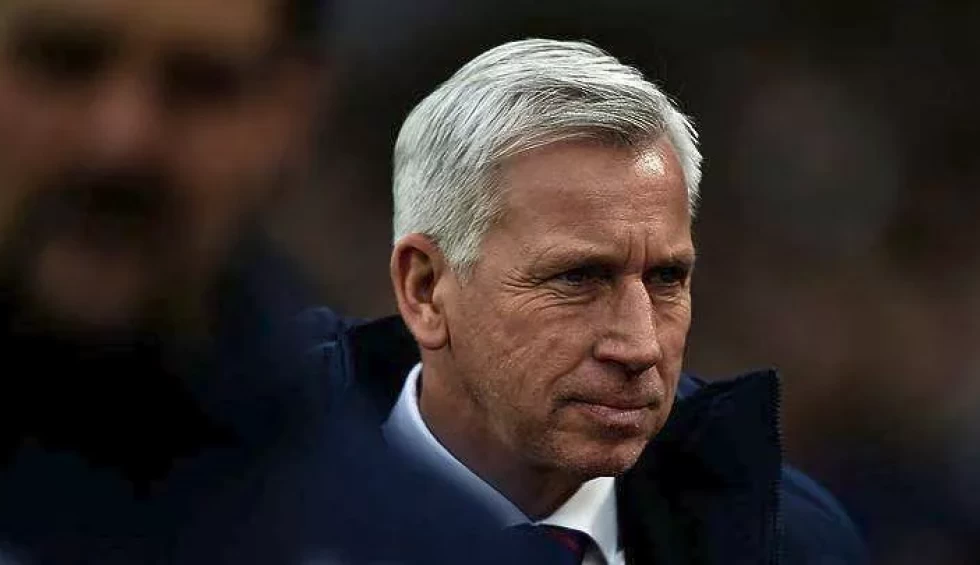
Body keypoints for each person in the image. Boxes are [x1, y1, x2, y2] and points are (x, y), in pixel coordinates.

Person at [0, 2, 551, 564]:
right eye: (61, 62)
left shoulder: (421, 548)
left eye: (202, 84)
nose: (119, 143)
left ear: (292, 112)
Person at [331, 38, 869, 564]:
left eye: (666, 278)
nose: (640, 347)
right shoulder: (285, 517)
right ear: (425, 289)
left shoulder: (798, 542)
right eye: (577, 278)